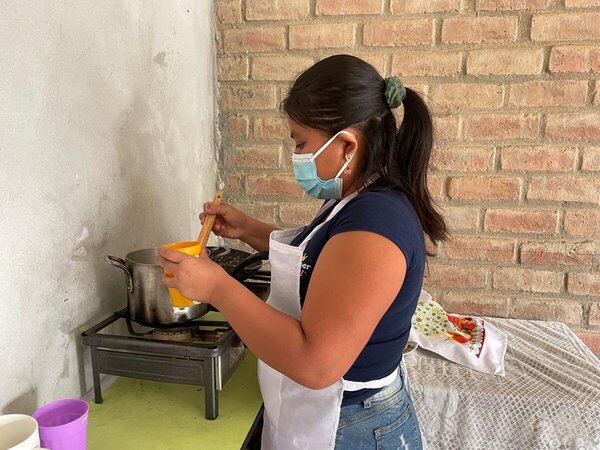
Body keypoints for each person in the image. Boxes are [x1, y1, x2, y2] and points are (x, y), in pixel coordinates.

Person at [157, 54, 447, 450]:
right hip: (329, 413)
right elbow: (325, 262)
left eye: (301, 142)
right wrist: (249, 230)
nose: (297, 156)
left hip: (351, 426)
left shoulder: (377, 223)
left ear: (346, 144)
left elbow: (316, 364)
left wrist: (217, 288)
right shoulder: (359, 197)